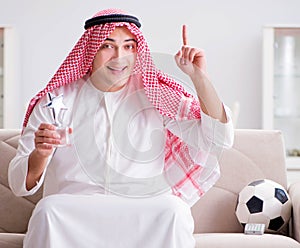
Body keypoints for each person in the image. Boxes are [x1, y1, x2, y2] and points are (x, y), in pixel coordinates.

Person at [8, 8, 234, 248]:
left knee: (174, 210)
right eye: (107, 46)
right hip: (75, 211)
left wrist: (199, 77)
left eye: (128, 46)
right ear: (90, 50)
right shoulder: (55, 101)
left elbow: (217, 139)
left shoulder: (153, 94)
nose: (119, 56)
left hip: (143, 209)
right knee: (48, 210)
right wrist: (40, 155)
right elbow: (19, 184)